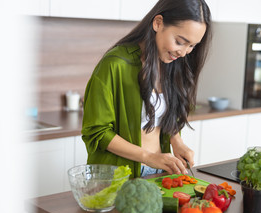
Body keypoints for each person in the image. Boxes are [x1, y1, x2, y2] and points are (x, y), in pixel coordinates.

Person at [82, 0, 212, 178]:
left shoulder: (171, 63)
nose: (184, 53)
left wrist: (176, 141)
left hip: (160, 170)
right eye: (180, 42)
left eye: (192, 46)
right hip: (119, 176)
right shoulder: (116, 64)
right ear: (158, 23)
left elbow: (163, 116)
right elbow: (97, 131)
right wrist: (148, 157)